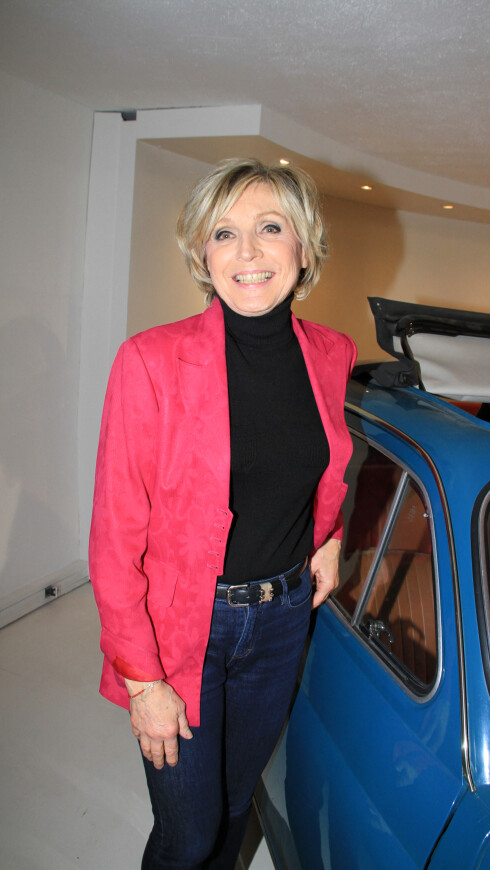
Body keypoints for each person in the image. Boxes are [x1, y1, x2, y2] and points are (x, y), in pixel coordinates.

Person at [89, 157, 357, 870]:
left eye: (270, 228)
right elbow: (115, 540)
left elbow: (323, 467)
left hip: (279, 619)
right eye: (224, 233)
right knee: (188, 831)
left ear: (303, 247)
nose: (247, 253)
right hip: (182, 632)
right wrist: (144, 683)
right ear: (202, 253)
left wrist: (330, 537)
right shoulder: (149, 362)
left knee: (237, 807)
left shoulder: (332, 354)